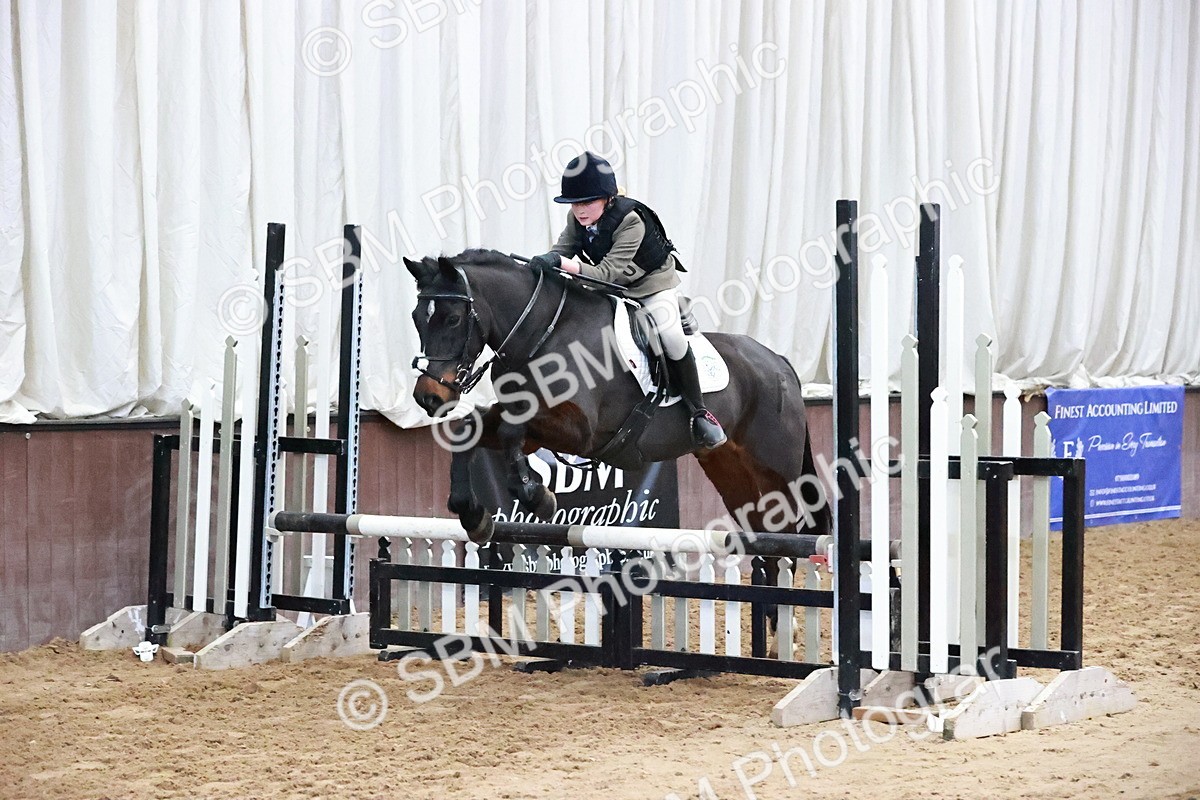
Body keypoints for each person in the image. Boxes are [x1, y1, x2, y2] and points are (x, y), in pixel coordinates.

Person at [527, 151, 726, 451]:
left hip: (650, 285)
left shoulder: (631, 221)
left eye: (587, 202)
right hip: (613, 285)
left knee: (670, 337)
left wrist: (564, 264)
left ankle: (699, 412)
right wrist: (545, 262)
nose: (579, 210)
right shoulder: (577, 218)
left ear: (608, 199)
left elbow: (606, 273)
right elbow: (564, 248)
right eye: (575, 203)